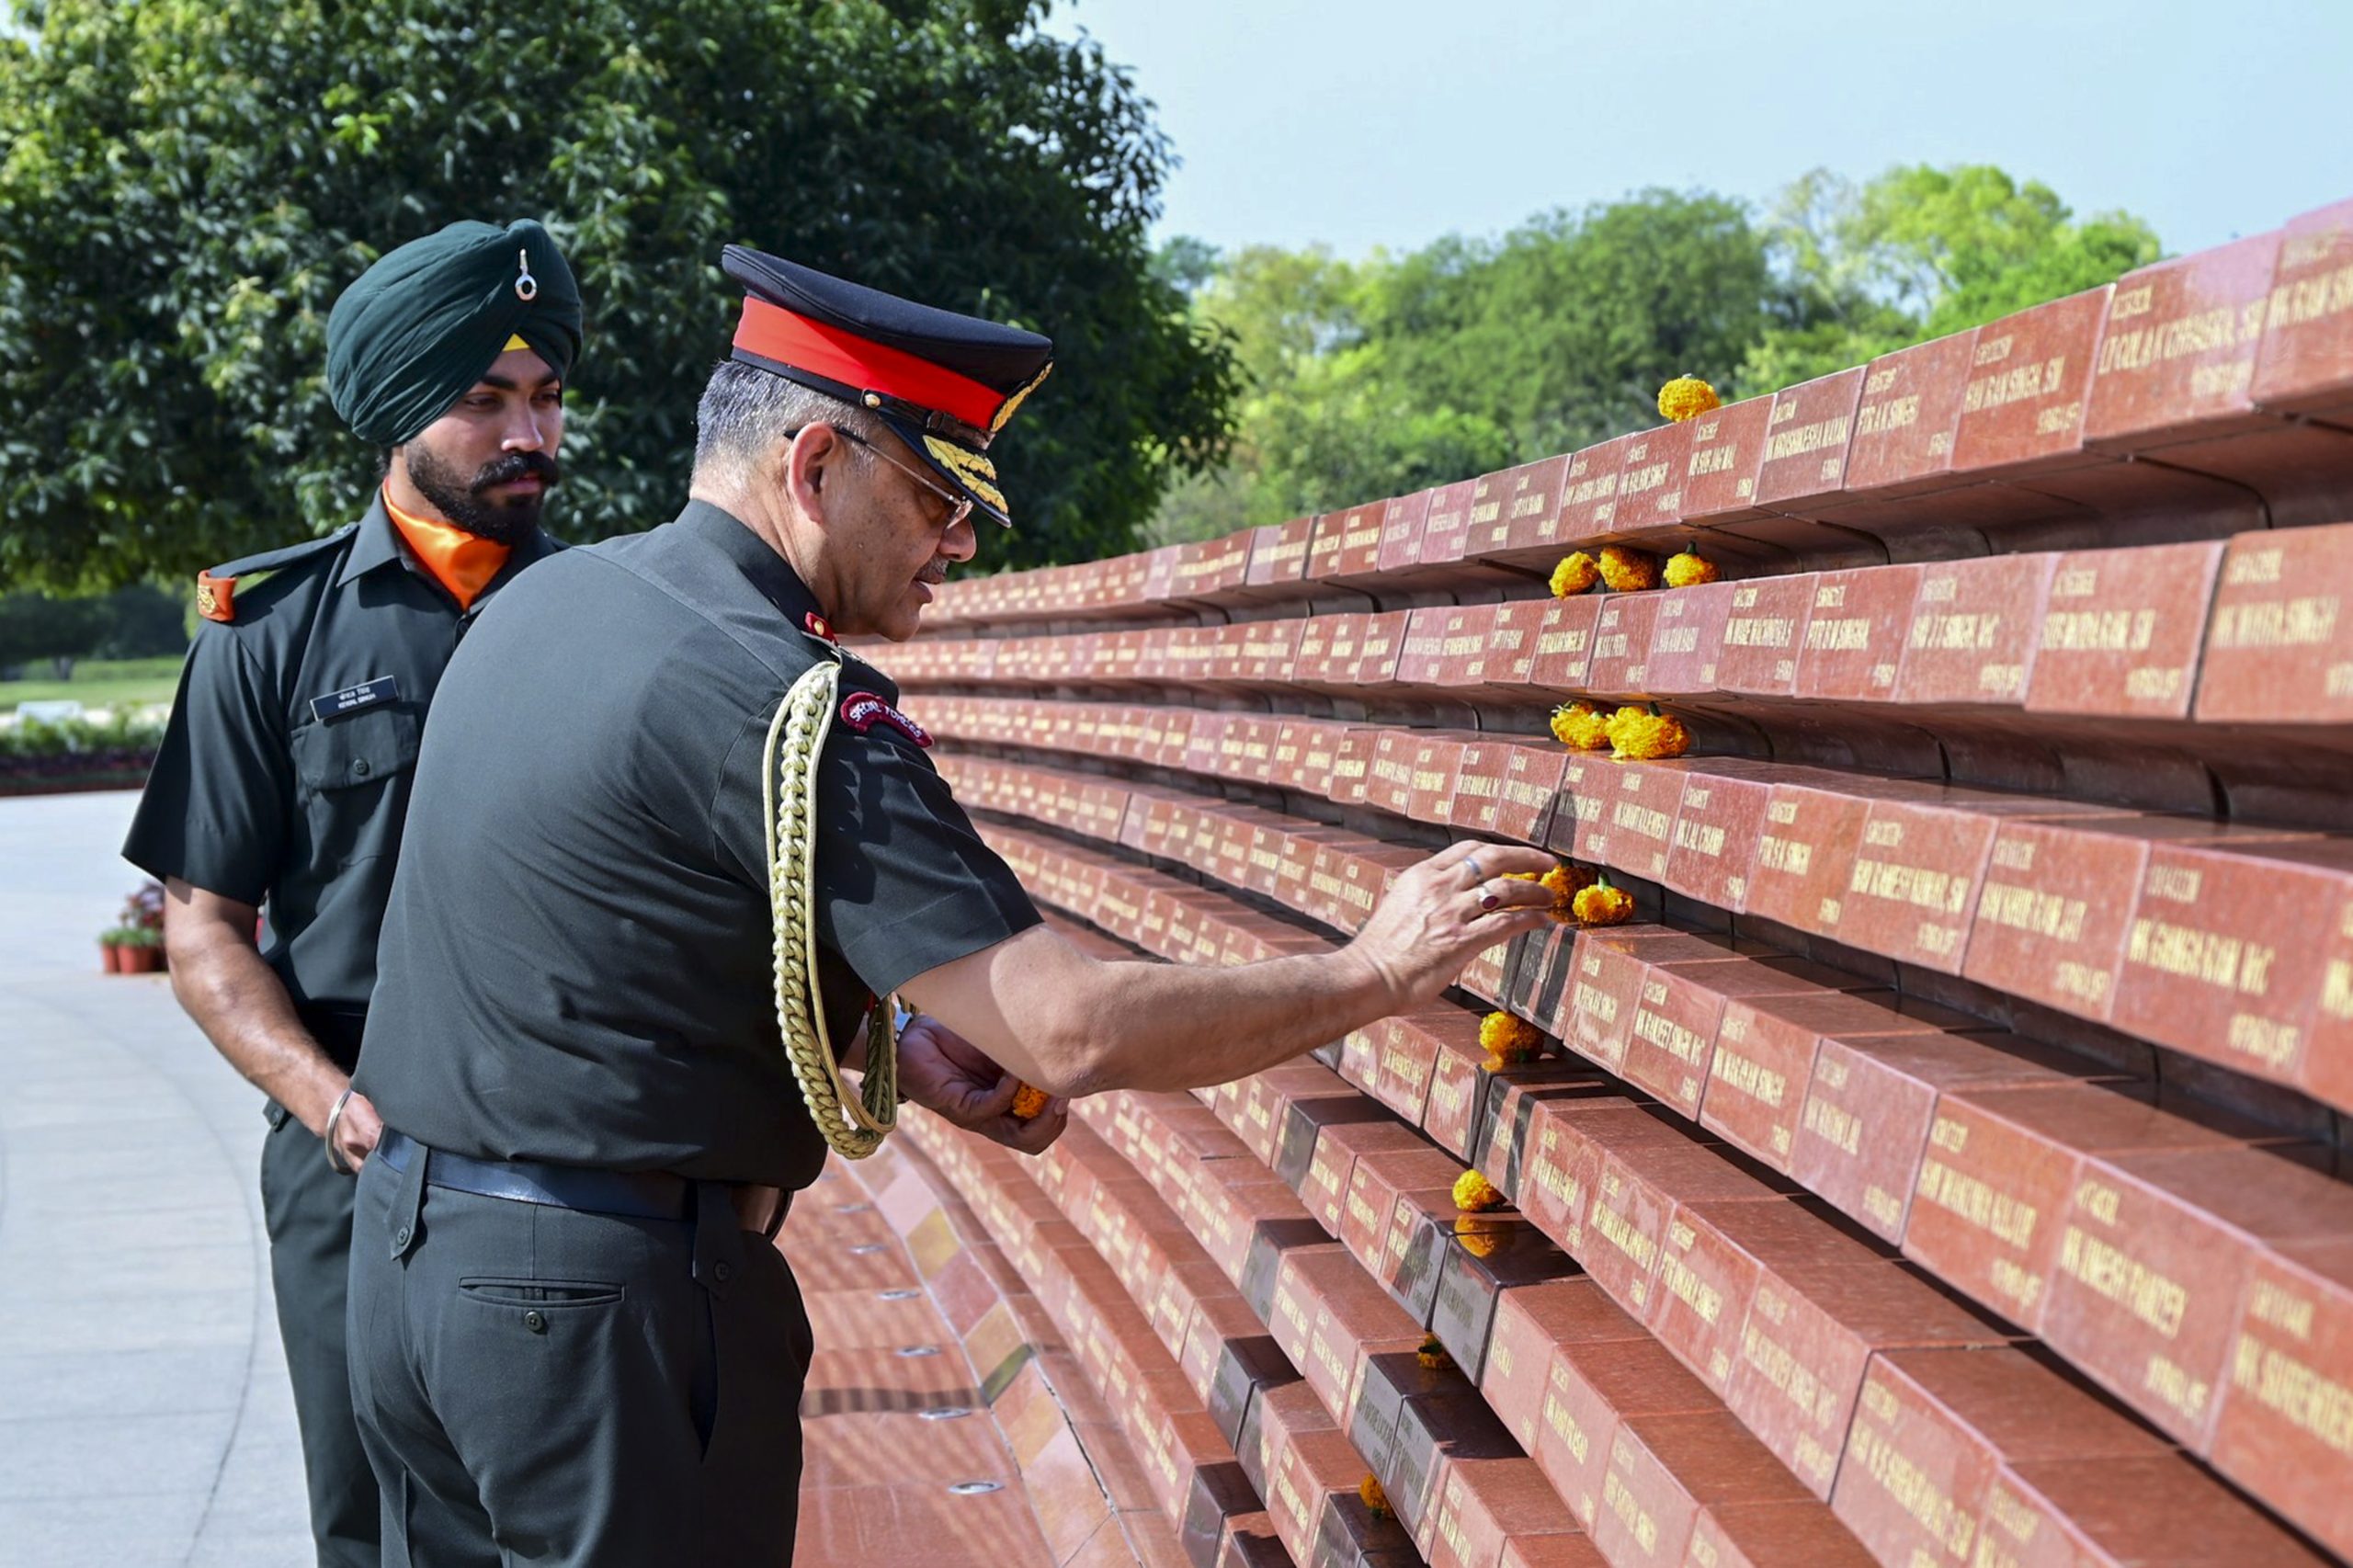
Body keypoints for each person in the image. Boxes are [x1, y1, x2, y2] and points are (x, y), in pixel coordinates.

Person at [346, 245, 1557, 1565]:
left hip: (413, 1274)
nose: (962, 540)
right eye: (936, 496)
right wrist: (1375, 969)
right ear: (815, 468)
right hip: (598, 1324)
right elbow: (1068, 1028)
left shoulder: (548, 600)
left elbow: (592, 943)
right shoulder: (783, 702)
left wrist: (892, 1045)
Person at [121, 217, 583, 1568]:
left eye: (546, 396)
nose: (528, 433)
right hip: (357, 1166)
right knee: (376, 1532)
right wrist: (332, 1106)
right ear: (396, 410)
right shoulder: (269, 633)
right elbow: (205, 928)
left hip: (577, 1166)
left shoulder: (611, 617)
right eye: (485, 398)